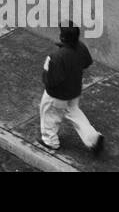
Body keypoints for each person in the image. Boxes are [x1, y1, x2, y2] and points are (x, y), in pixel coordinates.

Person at [39, 23, 104, 156]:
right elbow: (86, 62)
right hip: (74, 90)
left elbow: (49, 79)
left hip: (57, 95)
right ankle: (93, 138)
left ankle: (50, 141)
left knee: (49, 115)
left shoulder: (56, 57)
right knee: (74, 112)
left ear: (62, 37)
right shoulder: (81, 48)